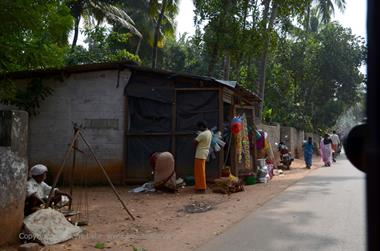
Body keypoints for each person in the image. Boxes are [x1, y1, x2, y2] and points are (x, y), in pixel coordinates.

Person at [193, 120, 212, 193]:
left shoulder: (202, 134)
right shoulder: (209, 132)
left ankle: (201, 187)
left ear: (202, 126)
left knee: (199, 172)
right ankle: (201, 186)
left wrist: (197, 137)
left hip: (199, 154)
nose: (199, 129)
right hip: (204, 154)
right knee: (201, 171)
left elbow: (194, 142)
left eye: (199, 127)